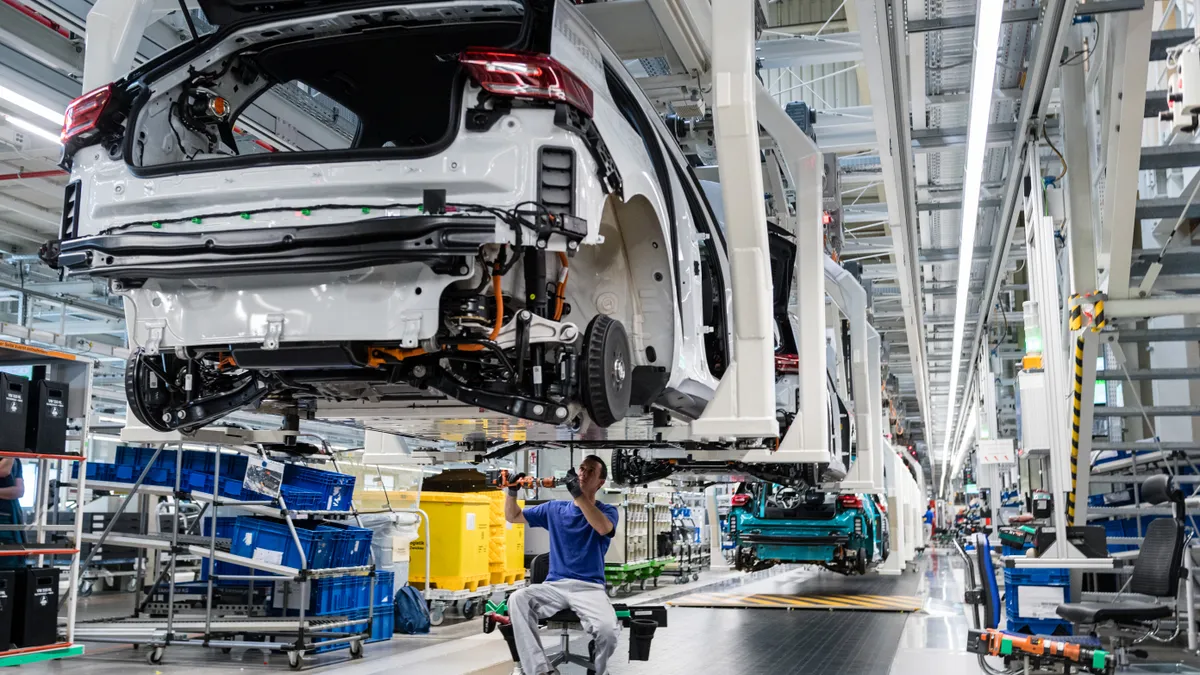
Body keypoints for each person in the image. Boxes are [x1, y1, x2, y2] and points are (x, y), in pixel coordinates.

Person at [504, 455, 620, 675]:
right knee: (518, 598)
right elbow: (513, 517)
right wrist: (511, 491)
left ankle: (598, 669)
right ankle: (541, 670)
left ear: (600, 482)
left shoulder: (608, 511)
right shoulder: (554, 509)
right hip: (555, 586)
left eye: (590, 472)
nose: (583, 474)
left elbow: (603, 528)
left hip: (590, 587)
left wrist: (577, 493)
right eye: (582, 469)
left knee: (608, 632)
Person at [0, 458, 24, 568]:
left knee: (12, 566)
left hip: (9, 521)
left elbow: (19, 491)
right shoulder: (11, 458)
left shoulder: (15, 460)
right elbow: (4, 470)